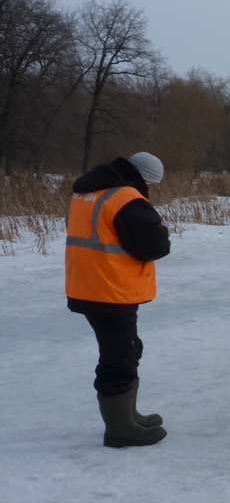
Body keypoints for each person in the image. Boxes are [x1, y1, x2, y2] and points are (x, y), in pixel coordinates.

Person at [66, 151, 171, 447]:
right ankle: (120, 430)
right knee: (120, 357)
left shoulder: (88, 192)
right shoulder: (126, 198)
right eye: (152, 185)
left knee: (127, 348)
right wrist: (162, 232)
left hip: (88, 285)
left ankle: (127, 415)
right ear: (145, 179)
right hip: (110, 290)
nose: (151, 191)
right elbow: (153, 245)